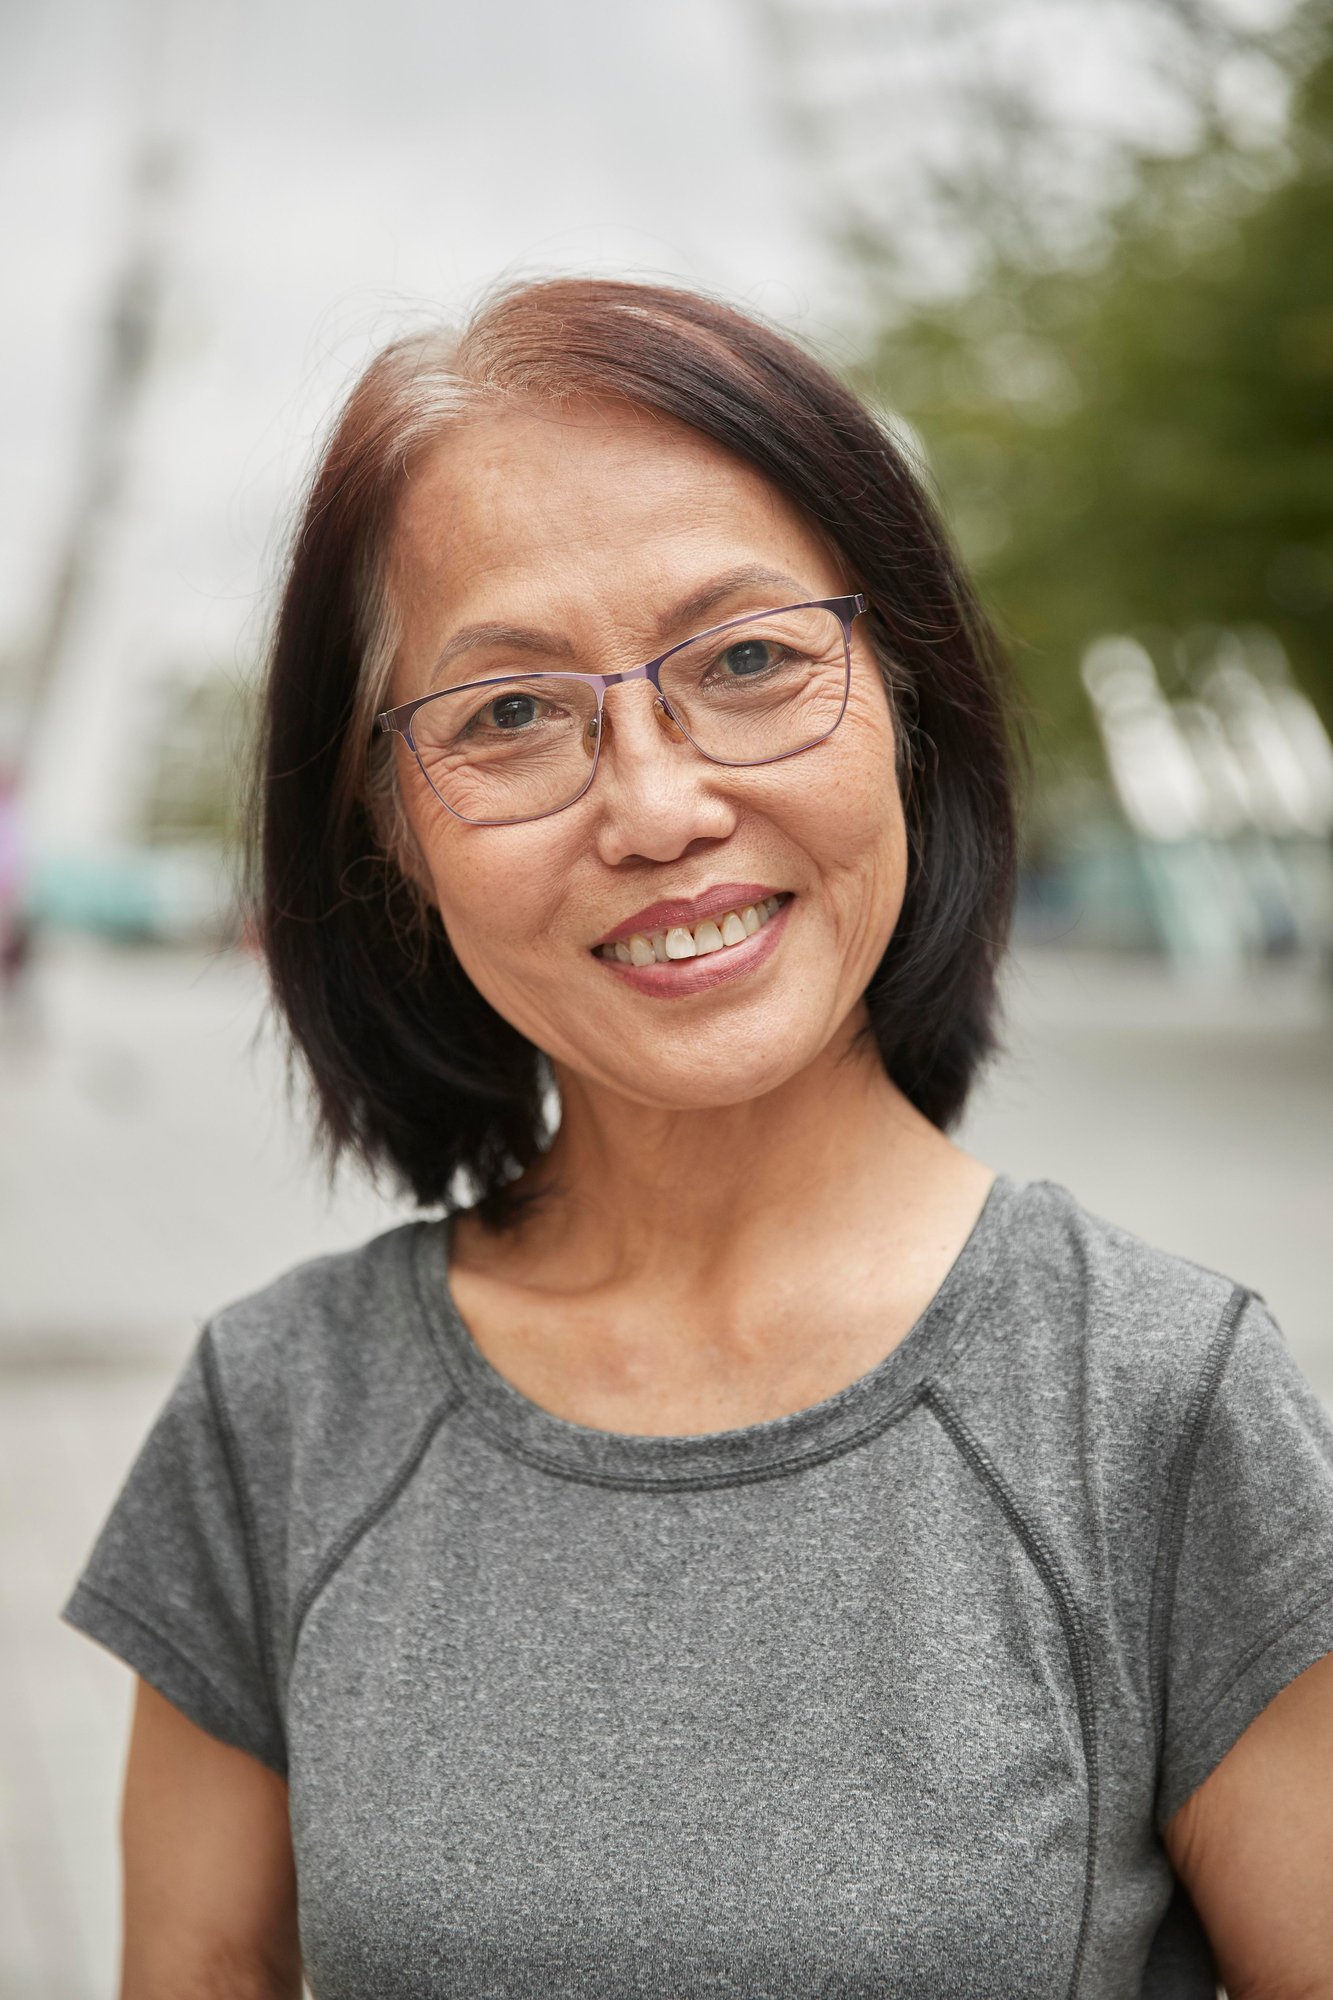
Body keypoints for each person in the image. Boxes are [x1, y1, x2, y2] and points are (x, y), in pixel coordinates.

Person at [64, 276, 1333, 1999]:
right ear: (386, 826)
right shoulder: (277, 1419)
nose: (656, 807)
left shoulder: (1161, 1410)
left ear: (906, 694)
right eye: (509, 713)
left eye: (748, 660)